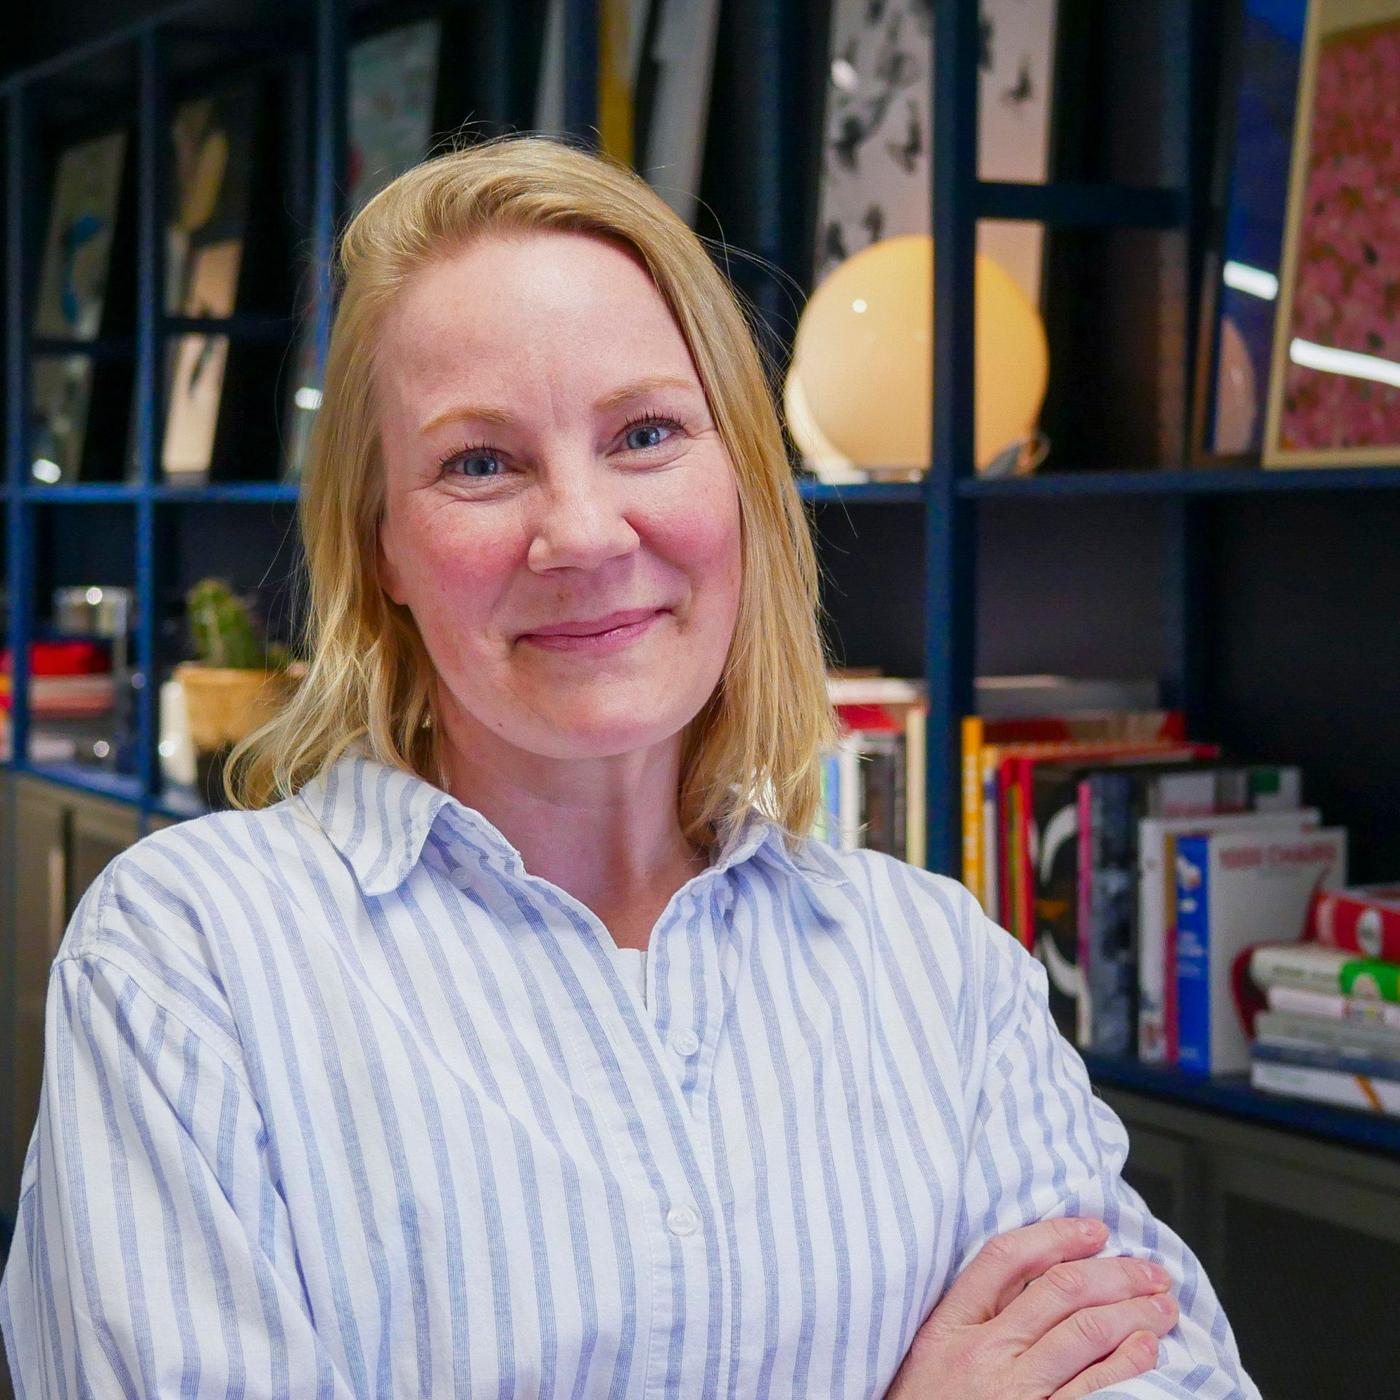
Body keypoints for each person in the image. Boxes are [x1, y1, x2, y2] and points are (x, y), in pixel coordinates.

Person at [0, 134, 1262, 1399]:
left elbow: (1158, 1369)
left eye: (646, 432)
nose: (585, 531)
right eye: (478, 462)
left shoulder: (938, 969)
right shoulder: (189, 961)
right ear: (380, 544)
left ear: (742, 479)